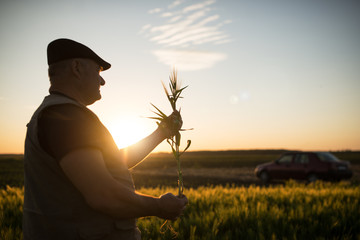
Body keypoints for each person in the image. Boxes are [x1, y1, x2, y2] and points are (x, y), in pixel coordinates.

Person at [23, 38, 188, 240]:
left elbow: (110, 164)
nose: (102, 81)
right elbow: (103, 195)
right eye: (98, 71)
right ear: (76, 67)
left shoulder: (56, 113)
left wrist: (161, 133)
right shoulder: (67, 117)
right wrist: (159, 206)